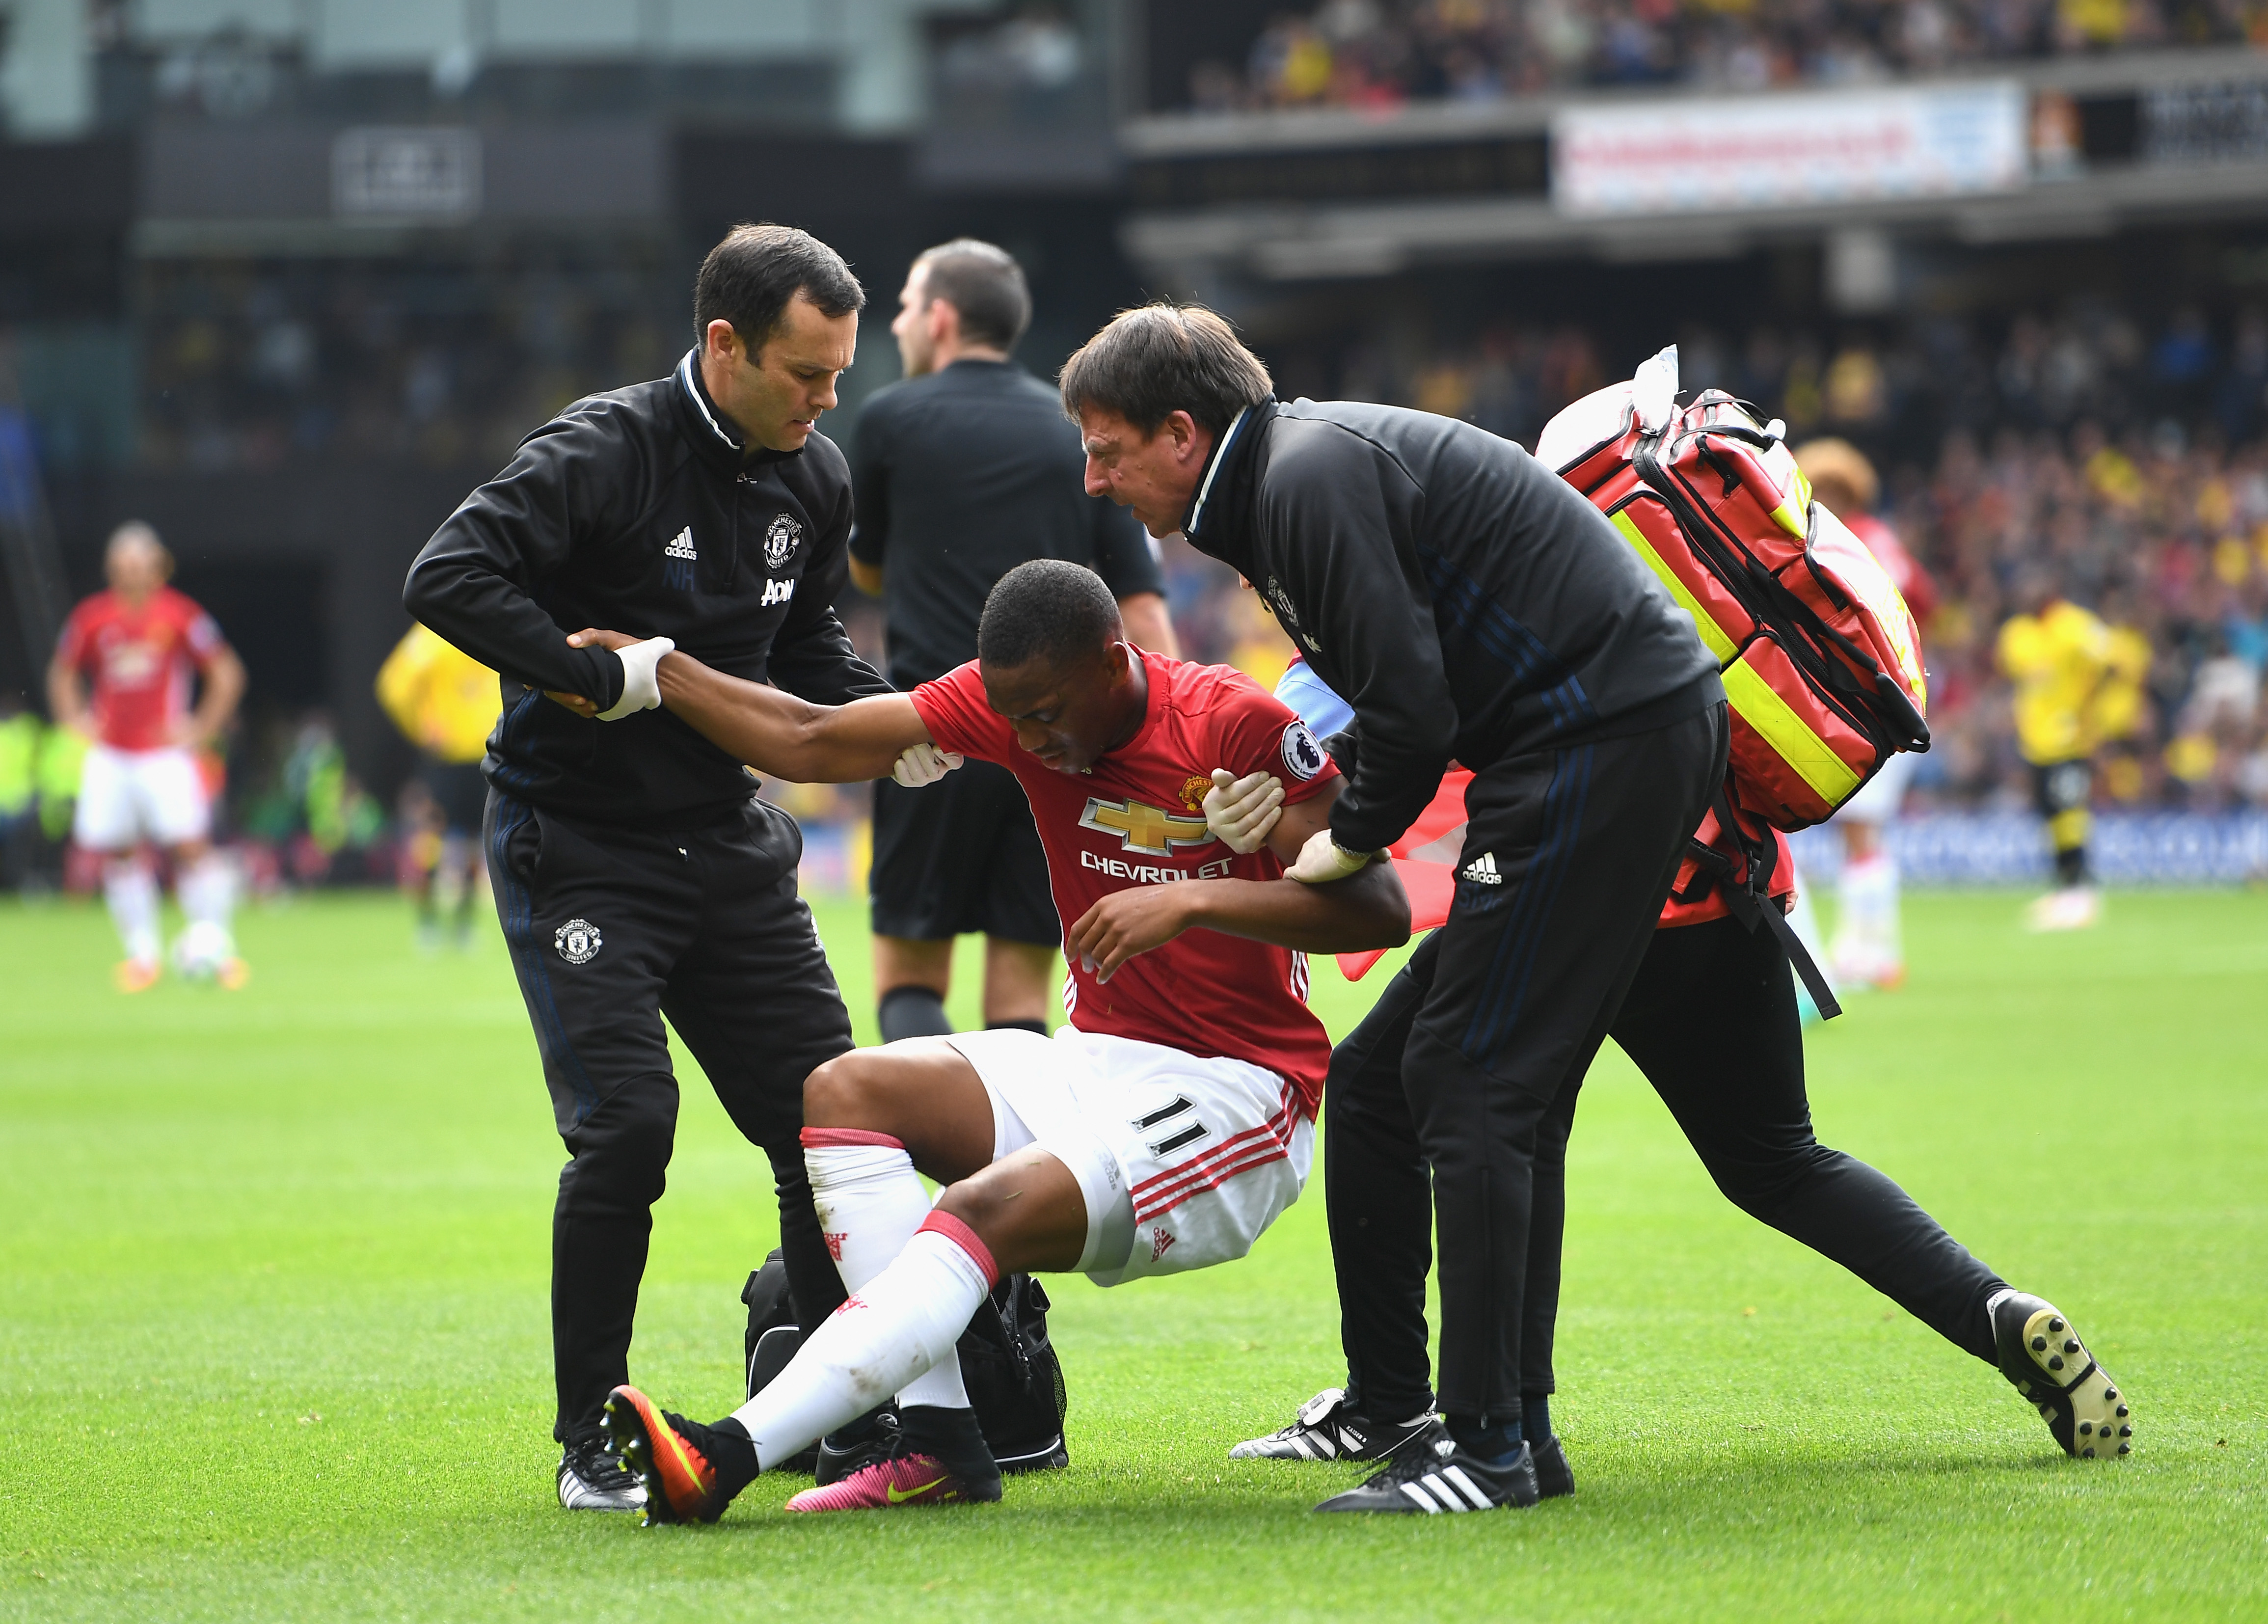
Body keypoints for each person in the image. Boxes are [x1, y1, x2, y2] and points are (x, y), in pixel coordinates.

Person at [564, 560, 1410, 1519]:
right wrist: (659, 672)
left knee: (979, 1208)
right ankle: (937, 1443)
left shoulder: (1235, 723)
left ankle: (726, 1454)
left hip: (1239, 1095)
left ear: (1111, 661)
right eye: (1013, 718)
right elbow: (811, 736)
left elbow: (1378, 909)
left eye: (1048, 712)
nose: (1032, 738)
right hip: (1097, 1058)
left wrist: (1196, 896)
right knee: (844, 1091)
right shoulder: (1015, 706)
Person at [1061, 303, 1728, 1511]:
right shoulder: (1290, 475)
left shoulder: (1303, 479)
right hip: (1599, 739)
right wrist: (1307, 781)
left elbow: (1418, 711)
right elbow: (1415, 685)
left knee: (1473, 1080)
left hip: (1599, 742)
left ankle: (1486, 1448)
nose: (1095, 478)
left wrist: (1339, 844)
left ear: (1180, 432)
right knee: (1393, 1082)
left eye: (1106, 448)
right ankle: (1456, 1418)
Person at [1219, 661, 2133, 1504]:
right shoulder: (1604, 533)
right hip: (1719, 880)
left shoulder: (1406, 534)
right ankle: (1992, 1310)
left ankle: (1455, 1422)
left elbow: (1329, 715)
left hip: (1570, 883)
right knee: (1778, 1158)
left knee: (1437, 1102)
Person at [400, 222, 900, 1514]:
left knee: (828, 1125)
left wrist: (905, 728)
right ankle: (591, 1436)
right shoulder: (602, 450)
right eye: (805, 372)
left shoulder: (814, 476)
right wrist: (583, 677)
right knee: (626, 1130)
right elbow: (445, 574)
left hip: (728, 845)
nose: (827, 399)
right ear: (723, 345)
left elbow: (807, 660)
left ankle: (837, 1411)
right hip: (582, 849)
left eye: (840, 372)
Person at [850, 238, 1178, 1044]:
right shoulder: (1077, 434)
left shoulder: (891, 417)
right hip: (1057, 745)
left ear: (940, 316)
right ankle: (1015, 1167)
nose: (895, 327)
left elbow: (865, 572)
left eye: (902, 309)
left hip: (937, 731)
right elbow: (1140, 606)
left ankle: (943, 1166)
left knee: (909, 973)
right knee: (1022, 984)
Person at [48, 522, 247, 991]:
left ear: (159, 567)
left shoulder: (180, 616)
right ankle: (142, 957)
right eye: (123, 564)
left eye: (140, 564)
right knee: (120, 853)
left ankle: (219, 950)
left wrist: (200, 728)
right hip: (112, 755)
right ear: (111, 568)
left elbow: (227, 672)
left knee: (191, 848)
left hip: (163, 754)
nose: (132, 573)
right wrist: (74, 719)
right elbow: (62, 672)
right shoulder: (92, 618)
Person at [1796, 439, 1939, 989]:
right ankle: (1869, 947)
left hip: (1876, 700)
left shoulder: (1842, 537)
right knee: (1858, 830)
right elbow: (1921, 601)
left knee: (1859, 828)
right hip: (1888, 696)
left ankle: (1871, 952)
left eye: (1834, 489)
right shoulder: (1882, 539)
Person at [1998, 570, 2117, 930]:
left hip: (2070, 739)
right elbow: (2019, 679)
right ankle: (2067, 890)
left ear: (2052, 591)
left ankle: (2080, 889)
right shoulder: (2017, 634)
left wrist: (2087, 711)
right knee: (2052, 815)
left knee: (2070, 812)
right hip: (2036, 743)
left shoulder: (2076, 626)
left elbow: (2110, 662)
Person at [375, 623, 498, 950]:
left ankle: (461, 924)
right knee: (436, 835)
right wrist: (421, 727)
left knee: (474, 839)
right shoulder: (435, 634)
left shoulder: (484, 632)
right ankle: (430, 921)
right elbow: (394, 685)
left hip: (484, 754)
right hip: (448, 756)